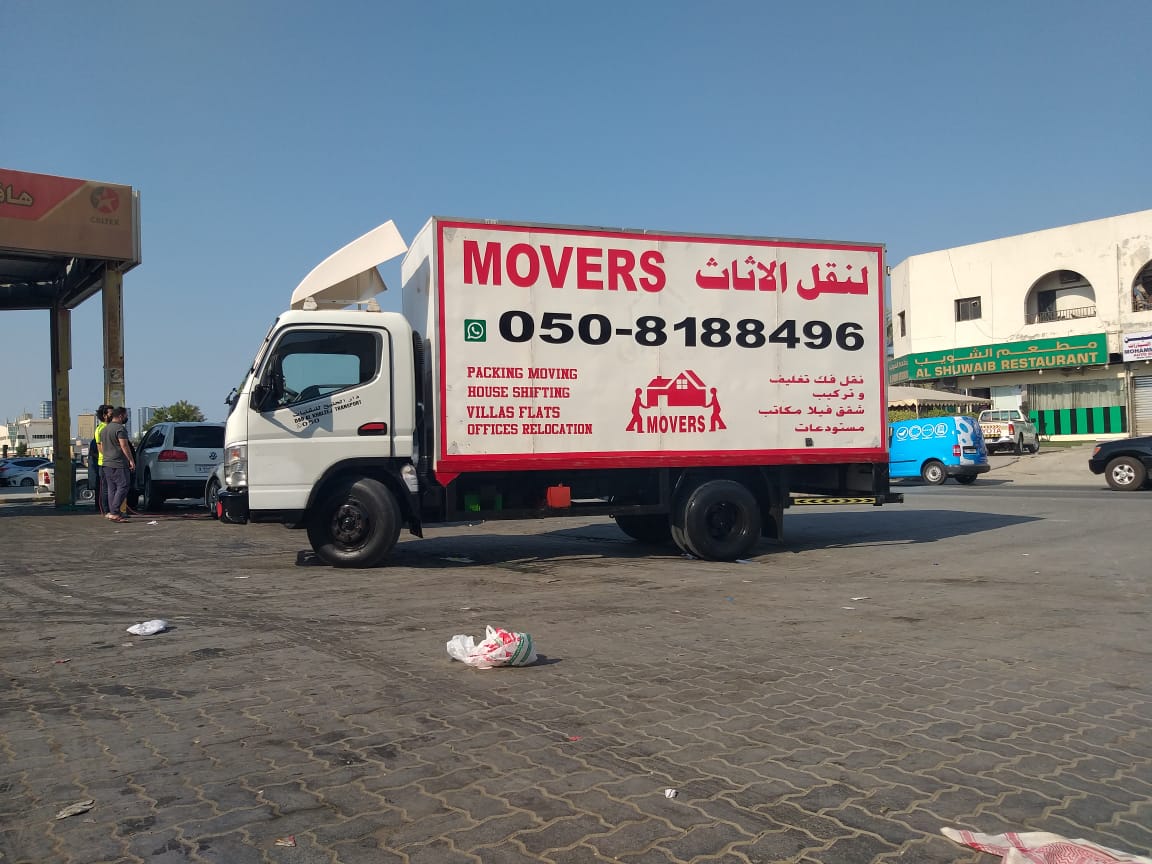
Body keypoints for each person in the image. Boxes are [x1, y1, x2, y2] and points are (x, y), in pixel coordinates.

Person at [99, 406, 135, 523]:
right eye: (125, 416)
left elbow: (102, 447)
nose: (126, 418)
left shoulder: (104, 430)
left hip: (106, 463)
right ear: (120, 416)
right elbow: (124, 445)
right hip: (118, 463)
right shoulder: (120, 429)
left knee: (112, 488)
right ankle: (115, 512)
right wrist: (131, 460)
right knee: (123, 486)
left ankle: (113, 513)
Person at [89, 404, 112, 514]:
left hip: (107, 462)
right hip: (106, 463)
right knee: (106, 488)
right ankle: (106, 510)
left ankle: (109, 509)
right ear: (105, 415)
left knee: (109, 487)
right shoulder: (102, 429)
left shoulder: (107, 428)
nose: (113, 416)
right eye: (111, 414)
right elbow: (98, 449)